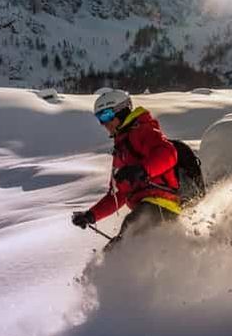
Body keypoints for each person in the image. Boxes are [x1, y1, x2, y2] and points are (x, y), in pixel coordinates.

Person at [72, 89, 180, 249]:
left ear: (122, 111)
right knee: (113, 248)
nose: (104, 123)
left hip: (163, 204)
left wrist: (142, 169)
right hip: (145, 208)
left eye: (107, 115)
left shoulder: (143, 131)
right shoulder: (121, 150)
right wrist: (91, 215)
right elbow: (118, 194)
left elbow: (168, 153)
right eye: (99, 118)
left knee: (130, 231)